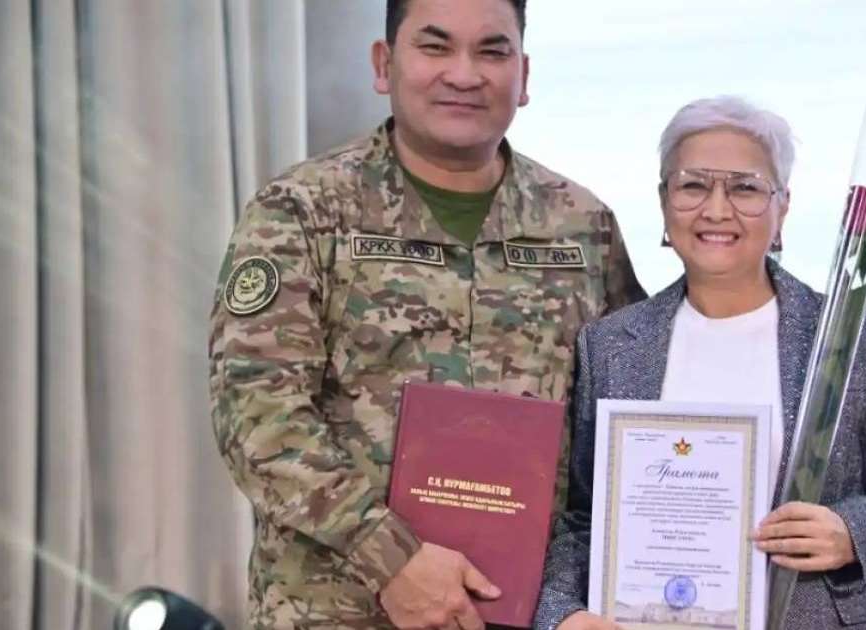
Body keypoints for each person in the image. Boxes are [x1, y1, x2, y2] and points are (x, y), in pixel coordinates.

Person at [208, 1, 644, 628]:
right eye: (435, 47)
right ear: (384, 65)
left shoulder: (582, 226)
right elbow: (256, 416)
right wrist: (391, 561)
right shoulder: (302, 212)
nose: (464, 74)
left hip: (526, 611)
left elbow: (628, 414)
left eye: (492, 52)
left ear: (523, 76)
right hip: (339, 609)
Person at [534, 96, 866, 630]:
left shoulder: (852, 339)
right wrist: (562, 614)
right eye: (692, 185)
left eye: (746, 188)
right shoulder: (612, 344)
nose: (716, 209)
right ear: (664, 202)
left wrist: (849, 531)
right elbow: (583, 519)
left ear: (783, 206)